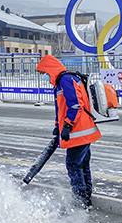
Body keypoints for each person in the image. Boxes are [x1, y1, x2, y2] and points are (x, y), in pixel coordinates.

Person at [36, 55, 101, 208]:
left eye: (45, 73)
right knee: (83, 164)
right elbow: (62, 108)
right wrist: (57, 126)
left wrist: (67, 126)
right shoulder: (64, 80)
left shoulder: (65, 80)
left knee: (73, 165)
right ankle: (86, 198)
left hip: (78, 130)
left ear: (50, 69)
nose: (46, 77)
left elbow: (75, 105)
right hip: (83, 130)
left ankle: (80, 202)